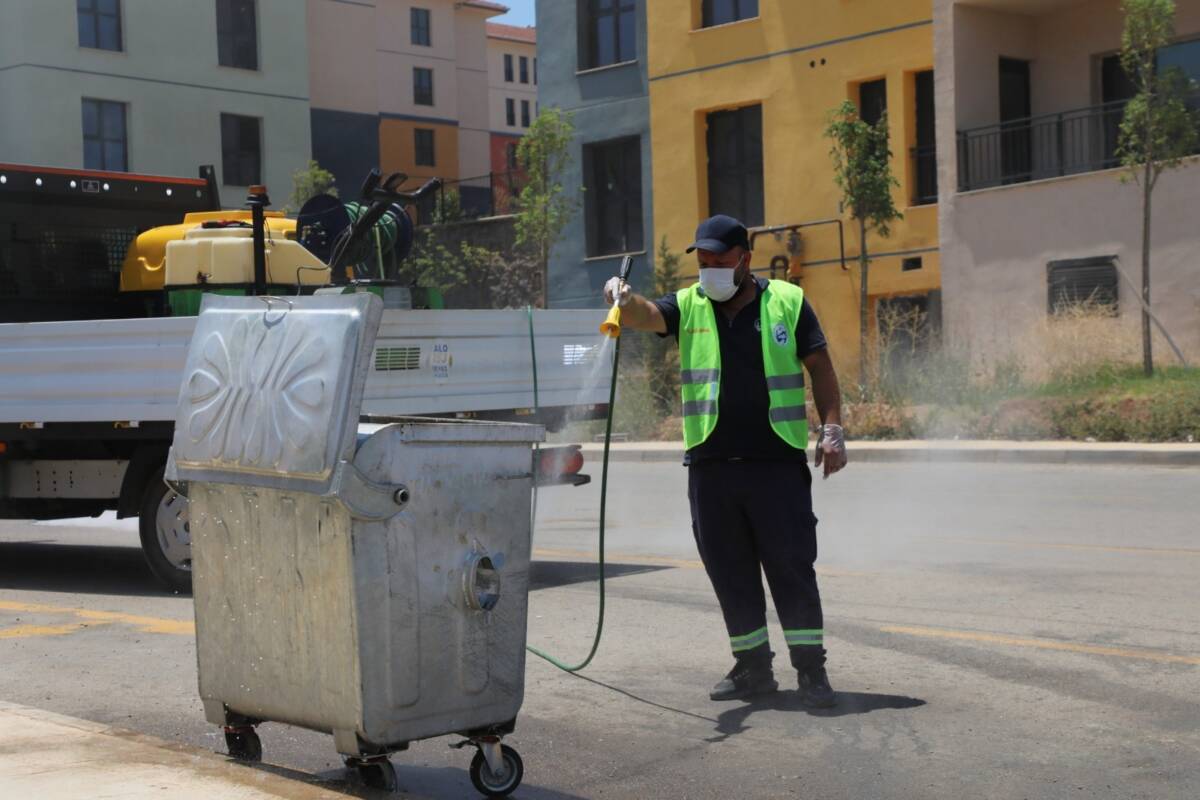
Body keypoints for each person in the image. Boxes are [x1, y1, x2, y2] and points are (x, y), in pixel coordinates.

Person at [603, 214, 848, 707]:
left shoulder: (787, 301)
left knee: (791, 568)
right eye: (704, 261)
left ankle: (811, 672)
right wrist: (624, 301)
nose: (710, 269)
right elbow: (649, 315)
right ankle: (753, 669)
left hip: (775, 463)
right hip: (711, 466)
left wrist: (832, 428)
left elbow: (819, 365)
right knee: (730, 572)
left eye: (720, 260)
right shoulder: (690, 304)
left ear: (745, 259)